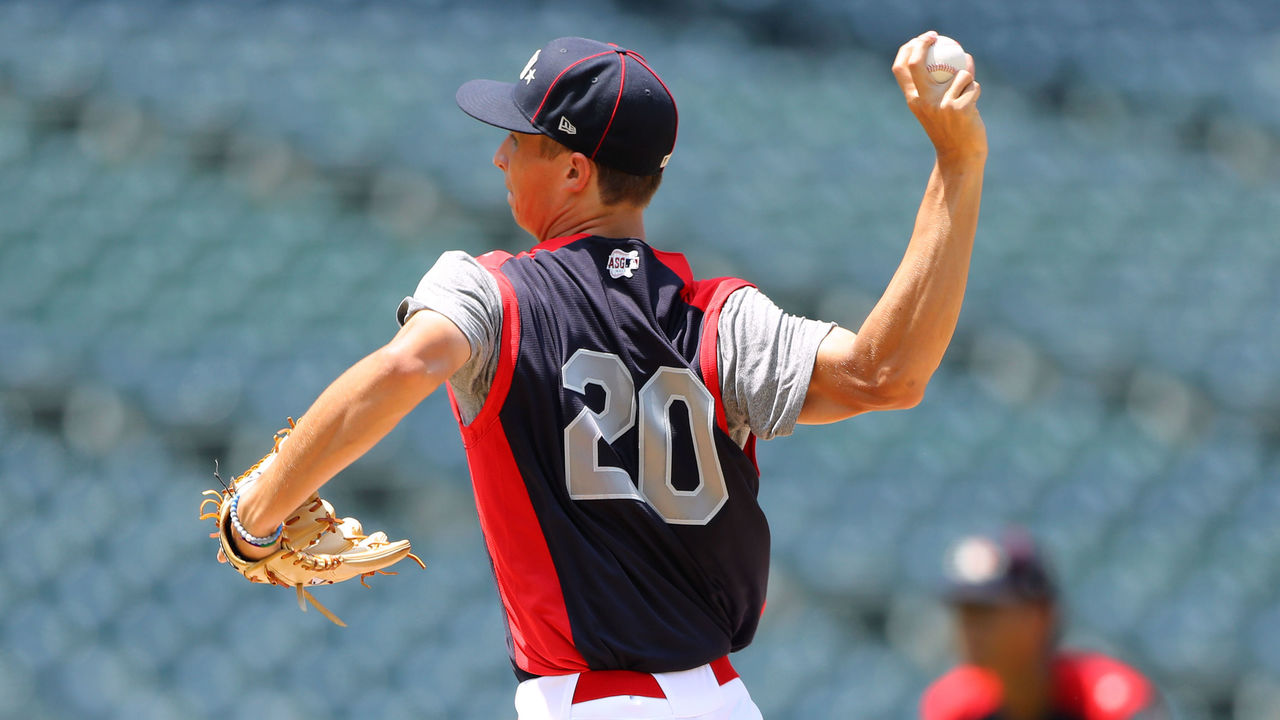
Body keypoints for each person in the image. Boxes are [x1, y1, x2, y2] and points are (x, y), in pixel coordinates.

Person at [226, 32, 985, 719]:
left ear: (575, 171)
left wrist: (256, 514)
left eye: (519, 139)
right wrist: (958, 163)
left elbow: (406, 365)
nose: (500, 156)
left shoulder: (491, 292)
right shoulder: (721, 318)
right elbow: (887, 376)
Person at [922, 530, 1164, 720]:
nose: (969, 628)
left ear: (1041, 615)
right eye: (964, 612)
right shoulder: (954, 706)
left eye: (985, 612)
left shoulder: (1107, 698)